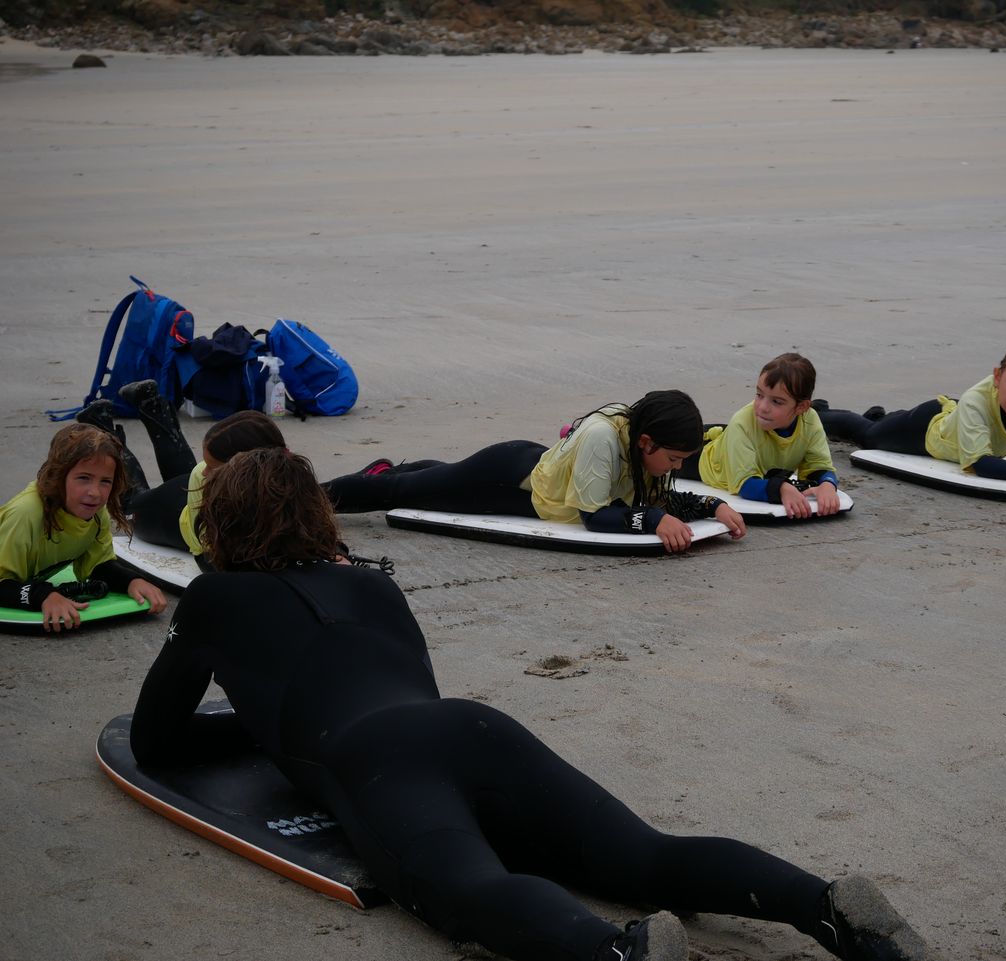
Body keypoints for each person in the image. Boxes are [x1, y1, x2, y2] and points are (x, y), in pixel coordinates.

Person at [129, 447, 937, 961]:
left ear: (221, 525)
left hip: (375, 762)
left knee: (468, 890)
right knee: (644, 855)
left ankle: (615, 952)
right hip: (473, 728)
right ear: (317, 514)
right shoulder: (374, 584)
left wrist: (261, 727)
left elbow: (154, 741)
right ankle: (825, 905)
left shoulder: (214, 600)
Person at [323, 389, 747, 553]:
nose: (677, 468)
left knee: (434, 484)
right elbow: (595, 516)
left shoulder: (641, 436)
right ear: (646, 442)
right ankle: (305, 497)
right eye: (673, 459)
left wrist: (713, 506)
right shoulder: (603, 437)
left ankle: (389, 470)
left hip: (533, 483)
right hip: (505, 476)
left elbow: (664, 498)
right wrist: (653, 519)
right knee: (401, 493)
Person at [816, 343, 1006, 501]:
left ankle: (880, 416)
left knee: (879, 426)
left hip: (956, 421)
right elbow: (978, 463)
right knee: (868, 436)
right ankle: (818, 412)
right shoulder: (976, 399)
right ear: (998, 376)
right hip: (926, 429)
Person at [75, 381, 287, 555]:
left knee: (194, 475)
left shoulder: (286, 474)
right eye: (207, 464)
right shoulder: (205, 476)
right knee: (132, 505)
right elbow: (208, 553)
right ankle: (103, 428)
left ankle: (150, 403)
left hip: (199, 491)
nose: (204, 470)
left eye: (212, 467)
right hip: (171, 511)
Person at [0, 424, 168, 632]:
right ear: (58, 475)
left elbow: (98, 566)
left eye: (105, 481)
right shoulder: (26, 514)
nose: (95, 493)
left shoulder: (94, 512)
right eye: (83, 478)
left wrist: (131, 581)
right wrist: (42, 595)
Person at [680, 353, 842, 519]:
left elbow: (818, 466)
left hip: (736, 439)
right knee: (668, 448)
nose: (763, 407)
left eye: (776, 401)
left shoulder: (810, 421)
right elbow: (744, 484)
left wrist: (827, 485)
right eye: (759, 395)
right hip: (703, 456)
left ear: (801, 407)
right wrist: (781, 489)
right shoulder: (742, 424)